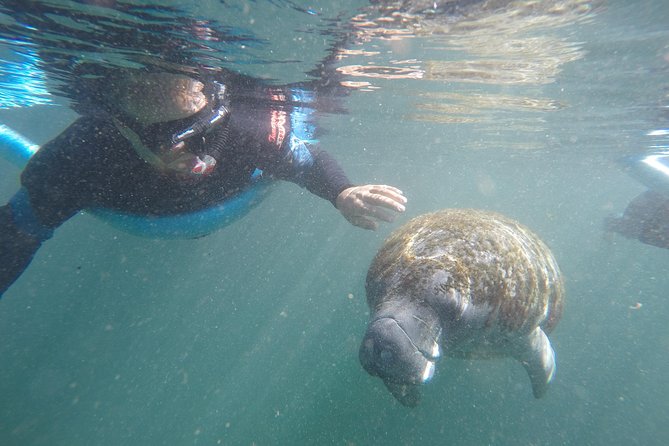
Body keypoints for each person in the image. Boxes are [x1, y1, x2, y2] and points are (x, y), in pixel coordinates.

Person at [0, 69, 407, 297]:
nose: (180, 153)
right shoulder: (83, 154)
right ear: (120, 127)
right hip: (149, 209)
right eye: (160, 139)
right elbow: (15, 232)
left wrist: (341, 192)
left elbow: (305, 160)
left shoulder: (250, 130)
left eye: (194, 135)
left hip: (233, 191)